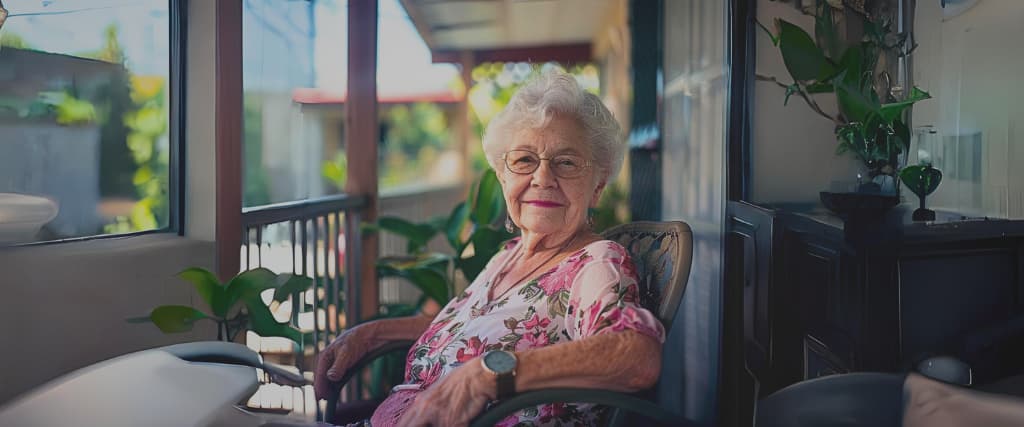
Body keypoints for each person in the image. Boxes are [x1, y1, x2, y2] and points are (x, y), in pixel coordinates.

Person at [313, 71, 666, 427]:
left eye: (567, 162)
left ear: (597, 186)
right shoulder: (507, 256)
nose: (542, 178)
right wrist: (371, 333)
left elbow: (636, 353)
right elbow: (473, 327)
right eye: (524, 160)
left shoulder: (595, 263)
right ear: (503, 176)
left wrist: (489, 373)